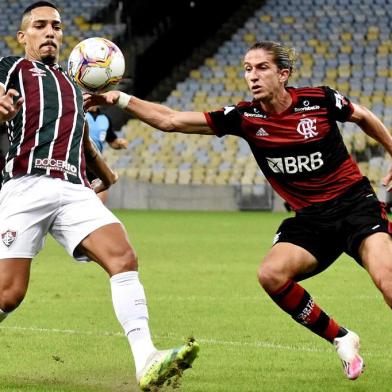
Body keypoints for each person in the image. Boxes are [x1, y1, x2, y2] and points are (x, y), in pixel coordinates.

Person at [86, 40, 392, 381]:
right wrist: (121, 99)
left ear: (283, 74)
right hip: (310, 220)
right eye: (247, 69)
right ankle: (341, 337)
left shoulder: (319, 100)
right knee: (271, 275)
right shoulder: (244, 117)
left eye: (262, 68)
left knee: (388, 281)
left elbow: (363, 116)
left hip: (355, 205)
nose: (253, 76)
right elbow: (171, 120)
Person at [0, 2, 199, 391]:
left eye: (56, 26)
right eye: (39, 26)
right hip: (27, 184)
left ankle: (147, 360)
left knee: (123, 257)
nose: (50, 32)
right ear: (23, 36)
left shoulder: (75, 86)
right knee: (9, 292)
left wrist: (105, 173)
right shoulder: (12, 68)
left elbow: (77, 140)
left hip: (74, 189)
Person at [86, 105, 128, 203]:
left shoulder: (105, 119)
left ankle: (96, 214)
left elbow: (111, 140)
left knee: (102, 189)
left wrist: (119, 143)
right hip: (78, 159)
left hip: (95, 162)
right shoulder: (79, 113)